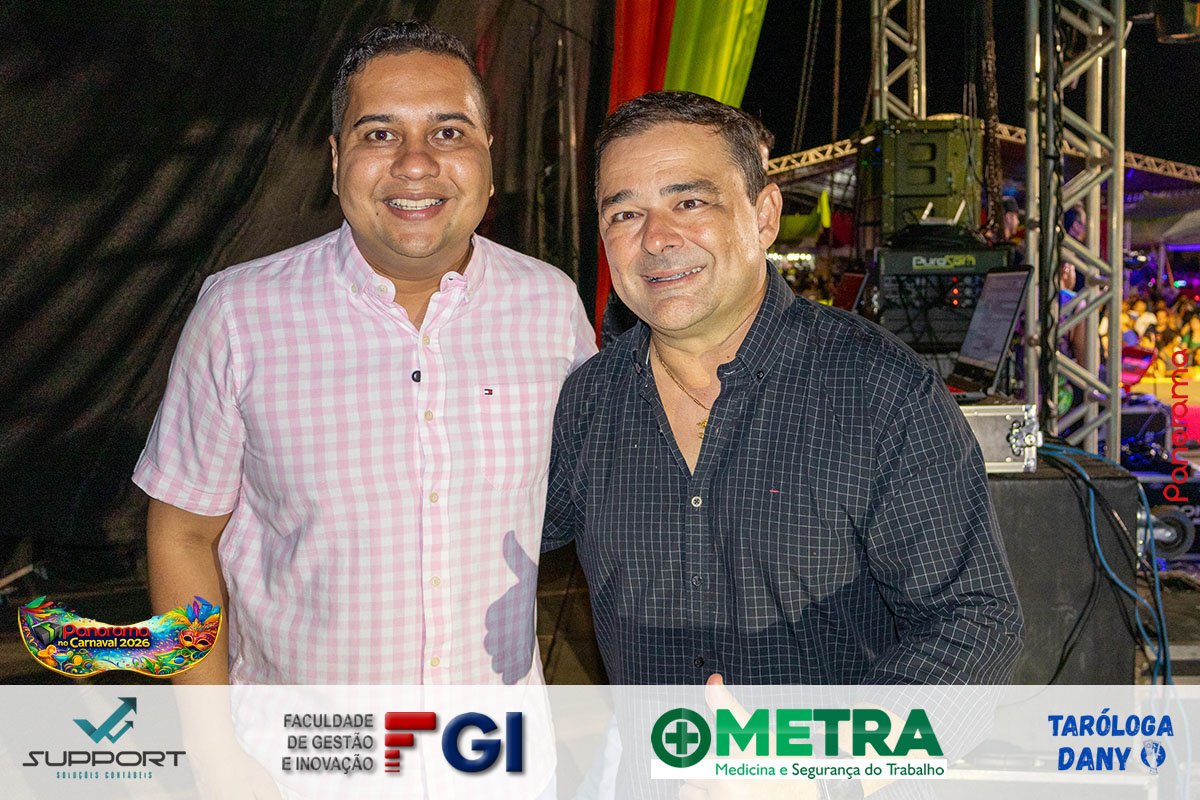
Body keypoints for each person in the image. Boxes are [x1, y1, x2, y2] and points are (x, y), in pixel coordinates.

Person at [134, 20, 595, 686]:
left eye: (448, 132)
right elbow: (182, 535)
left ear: (489, 157)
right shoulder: (239, 314)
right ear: (334, 160)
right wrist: (210, 740)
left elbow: (610, 500)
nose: (416, 163)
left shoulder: (550, 306)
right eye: (380, 134)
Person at [544, 91, 1023, 687]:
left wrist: (824, 748)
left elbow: (974, 622)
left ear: (764, 216)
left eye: (690, 202)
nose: (656, 238)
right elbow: (479, 533)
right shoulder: (588, 402)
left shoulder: (880, 391)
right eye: (624, 214)